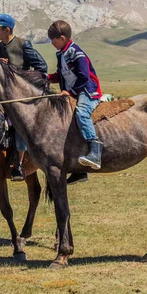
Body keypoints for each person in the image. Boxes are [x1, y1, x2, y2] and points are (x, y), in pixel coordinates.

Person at [0, 13, 48, 182]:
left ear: (7, 30)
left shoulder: (23, 45)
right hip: (1, 97)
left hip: (20, 98)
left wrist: (12, 70)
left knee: (20, 124)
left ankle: (19, 164)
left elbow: (42, 67)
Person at [46, 20, 103, 184]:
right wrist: (46, 78)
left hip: (87, 91)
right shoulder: (63, 54)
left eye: (53, 40)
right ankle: (79, 169)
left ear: (62, 38)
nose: (51, 43)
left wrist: (70, 92)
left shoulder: (76, 52)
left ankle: (95, 151)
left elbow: (84, 77)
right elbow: (61, 75)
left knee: (82, 113)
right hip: (75, 91)